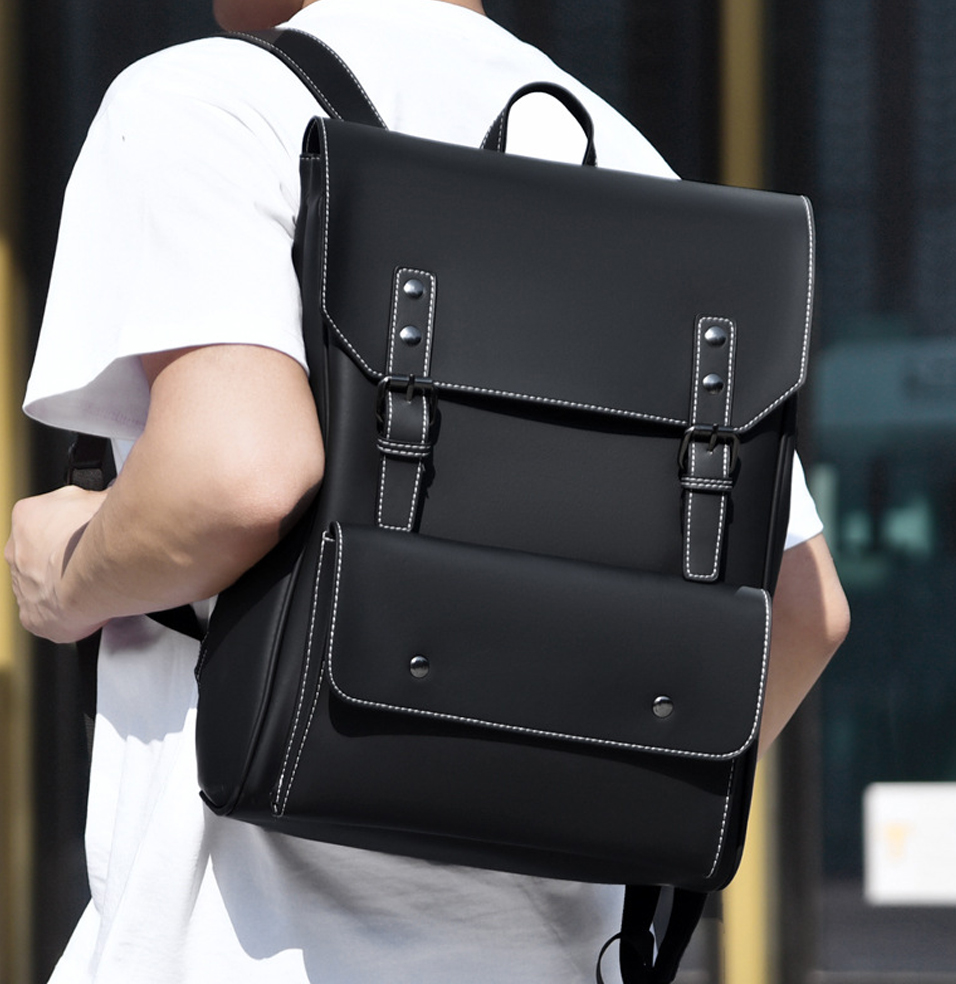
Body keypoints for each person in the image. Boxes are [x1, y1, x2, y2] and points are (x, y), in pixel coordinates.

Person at [6, 0, 850, 980]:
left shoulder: (209, 101)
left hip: (249, 949)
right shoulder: (631, 164)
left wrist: (70, 571)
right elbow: (805, 610)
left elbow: (235, 477)